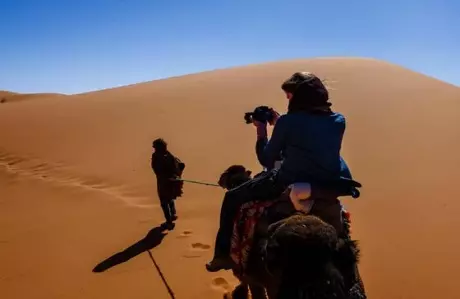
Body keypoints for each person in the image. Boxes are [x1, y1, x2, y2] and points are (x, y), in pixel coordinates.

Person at [206, 71, 361, 272]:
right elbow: (311, 140)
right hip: (327, 181)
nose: (288, 101)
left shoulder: (288, 122)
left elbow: (266, 158)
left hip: (288, 180)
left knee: (232, 198)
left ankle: (222, 255)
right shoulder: (339, 120)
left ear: (300, 97)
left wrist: (261, 130)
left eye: (290, 96)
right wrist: (281, 124)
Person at [151, 138, 185, 228]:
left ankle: (169, 222)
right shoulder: (168, 155)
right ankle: (173, 215)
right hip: (170, 181)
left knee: (164, 202)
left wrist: (171, 176)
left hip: (164, 183)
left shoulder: (158, 156)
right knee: (170, 199)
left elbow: (157, 170)